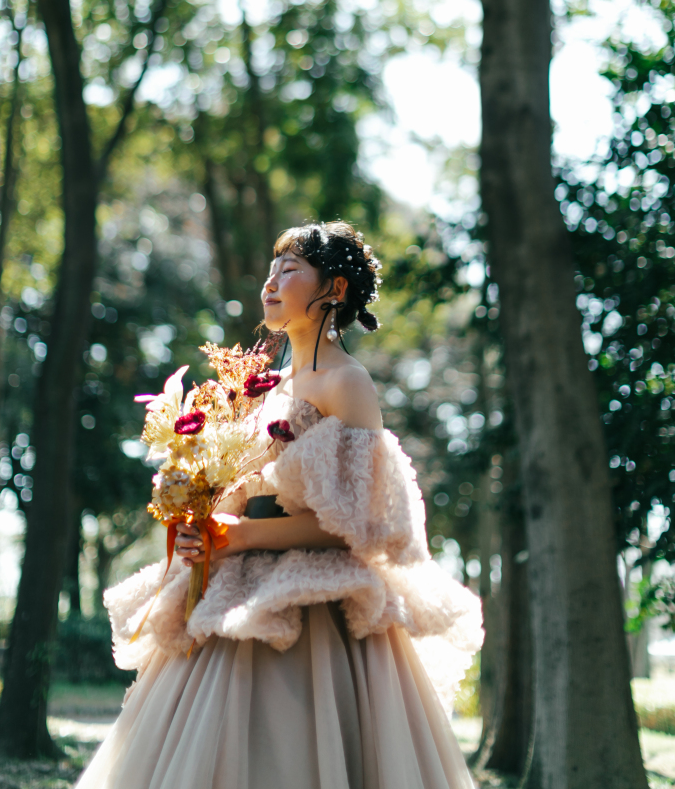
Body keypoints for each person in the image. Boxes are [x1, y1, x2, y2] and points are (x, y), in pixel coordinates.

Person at [76, 222, 482, 789]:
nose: (270, 282)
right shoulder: (265, 387)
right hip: (235, 587)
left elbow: (356, 523)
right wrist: (203, 528)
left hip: (319, 609)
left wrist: (239, 537)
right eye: (270, 270)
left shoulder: (348, 383)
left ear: (334, 289)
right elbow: (240, 491)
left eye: (288, 270)